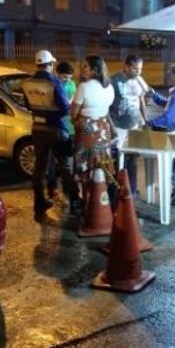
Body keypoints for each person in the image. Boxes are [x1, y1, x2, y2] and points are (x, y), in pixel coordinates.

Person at [21, 50, 77, 223]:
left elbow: (27, 104)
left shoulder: (27, 83)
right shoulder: (54, 82)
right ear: (51, 64)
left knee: (39, 169)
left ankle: (39, 207)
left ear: (37, 64)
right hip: (58, 130)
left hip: (37, 129)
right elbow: (65, 109)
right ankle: (74, 201)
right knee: (66, 167)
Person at [70, 55, 116, 204]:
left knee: (86, 165)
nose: (82, 69)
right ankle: (102, 200)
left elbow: (73, 112)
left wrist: (75, 121)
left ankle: (88, 203)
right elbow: (107, 110)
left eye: (86, 66)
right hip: (103, 127)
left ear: (94, 70)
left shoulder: (83, 87)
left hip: (86, 127)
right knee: (101, 162)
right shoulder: (109, 87)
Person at [147, 62, 175, 206]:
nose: (168, 76)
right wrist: (155, 96)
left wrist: (151, 123)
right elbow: (169, 104)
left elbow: (169, 117)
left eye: (170, 73)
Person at [109, 55, 149, 196]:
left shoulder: (139, 80)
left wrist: (145, 121)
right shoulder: (113, 81)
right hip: (118, 126)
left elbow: (141, 100)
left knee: (133, 157)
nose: (138, 72)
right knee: (117, 157)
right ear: (126, 66)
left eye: (140, 69)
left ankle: (131, 188)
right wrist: (111, 127)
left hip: (134, 126)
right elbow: (107, 105)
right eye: (135, 68)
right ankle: (117, 188)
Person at [46, 61, 80, 208]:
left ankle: (69, 191)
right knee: (52, 162)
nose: (67, 80)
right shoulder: (52, 85)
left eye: (69, 78)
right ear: (57, 73)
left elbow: (74, 103)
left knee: (67, 162)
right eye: (64, 77)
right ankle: (53, 189)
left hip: (68, 125)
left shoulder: (71, 85)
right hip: (56, 126)